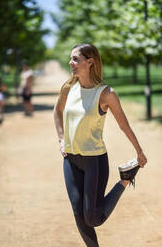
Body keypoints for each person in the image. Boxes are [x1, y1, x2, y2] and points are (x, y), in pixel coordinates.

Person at [54, 43, 147, 247]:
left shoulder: (106, 94)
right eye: (71, 59)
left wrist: (139, 151)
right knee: (79, 215)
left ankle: (125, 179)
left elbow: (123, 124)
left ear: (90, 62)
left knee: (93, 218)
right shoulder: (69, 88)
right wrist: (61, 139)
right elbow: (57, 111)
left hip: (94, 160)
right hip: (70, 159)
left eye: (76, 59)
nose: (71, 63)